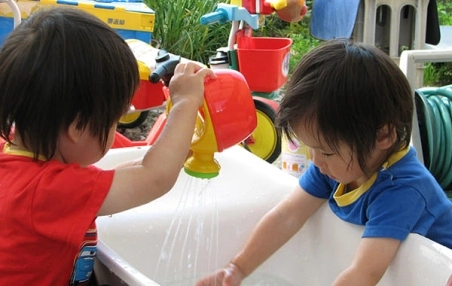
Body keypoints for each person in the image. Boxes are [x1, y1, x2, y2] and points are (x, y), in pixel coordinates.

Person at [196, 39, 452, 286]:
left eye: (326, 152)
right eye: (310, 148)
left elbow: (364, 274)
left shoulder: (402, 190)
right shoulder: (340, 165)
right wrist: (237, 268)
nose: (315, 161)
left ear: (383, 135)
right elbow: (287, 216)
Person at [0, 6, 215, 285]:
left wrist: (181, 145)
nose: (115, 130)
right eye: (114, 121)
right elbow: (154, 177)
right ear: (77, 128)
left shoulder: (21, 162)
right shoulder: (46, 193)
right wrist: (186, 102)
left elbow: (126, 176)